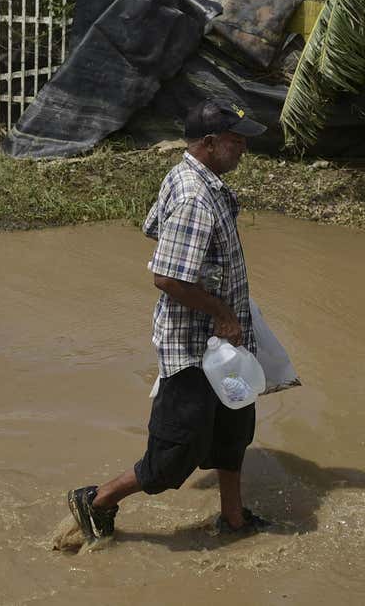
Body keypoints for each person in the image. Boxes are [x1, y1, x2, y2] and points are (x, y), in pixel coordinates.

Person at [65, 99, 273, 546]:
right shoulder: (196, 198)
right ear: (210, 142)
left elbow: (153, 228)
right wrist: (221, 312)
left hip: (224, 346)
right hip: (196, 351)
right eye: (236, 141)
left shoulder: (195, 177)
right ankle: (96, 501)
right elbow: (167, 276)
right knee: (171, 459)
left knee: (233, 433)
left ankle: (233, 519)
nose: (243, 149)